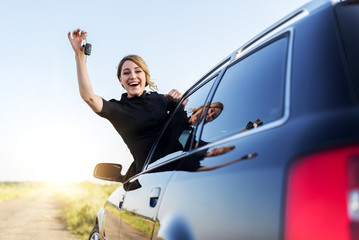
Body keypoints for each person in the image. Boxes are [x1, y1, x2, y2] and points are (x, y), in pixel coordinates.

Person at [68, 29, 185, 175]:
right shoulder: (118, 109)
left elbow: (193, 116)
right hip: (152, 176)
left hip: (185, 166)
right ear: (121, 80)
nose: (133, 76)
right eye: (126, 73)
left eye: (138, 71)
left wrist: (181, 100)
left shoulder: (162, 99)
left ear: (145, 76)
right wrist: (79, 56)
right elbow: (89, 97)